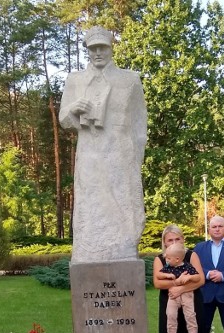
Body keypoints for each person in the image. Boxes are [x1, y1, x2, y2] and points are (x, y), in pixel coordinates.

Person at [59, 26, 147, 263]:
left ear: (111, 48)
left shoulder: (130, 79)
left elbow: (140, 125)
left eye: (102, 47)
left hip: (121, 156)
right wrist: (74, 109)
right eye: (93, 48)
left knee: (123, 205)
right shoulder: (75, 80)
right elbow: (64, 120)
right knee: (92, 206)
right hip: (90, 155)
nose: (98, 52)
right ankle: (89, 251)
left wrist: (134, 161)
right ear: (87, 50)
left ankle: (124, 247)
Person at [154, 225, 205, 333]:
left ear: (183, 239)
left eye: (177, 239)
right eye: (170, 240)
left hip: (191, 304)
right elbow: (157, 283)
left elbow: (200, 279)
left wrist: (181, 288)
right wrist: (176, 284)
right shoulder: (161, 259)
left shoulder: (192, 256)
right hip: (170, 305)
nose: (174, 242)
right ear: (164, 242)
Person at [156, 242, 202, 333]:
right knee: (170, 314)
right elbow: (158, 274)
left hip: (187, 295)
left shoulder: (187, 267)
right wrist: (167, 275)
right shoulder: (168, 268)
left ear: (177, 259)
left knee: (190, 314)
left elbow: (198, 277)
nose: (166, 260)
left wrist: (189, 278)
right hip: (173, 296)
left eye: (168, 258)